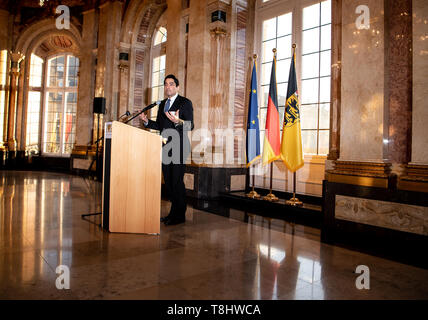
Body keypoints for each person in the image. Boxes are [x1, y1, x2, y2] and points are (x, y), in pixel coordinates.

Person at [139, 74, 194, 225]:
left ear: (177, 87)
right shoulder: (163, 104)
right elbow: (159, 126)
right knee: (169, 183)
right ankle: (172, 213)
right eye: (166, 84)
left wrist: (178, 121)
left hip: (179, 146)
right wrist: (146, 122)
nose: (168, 87)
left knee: (177, 182)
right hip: (165, 147)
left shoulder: (185, 103)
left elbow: (191, 125)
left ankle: (179, 216)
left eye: (171, 84)